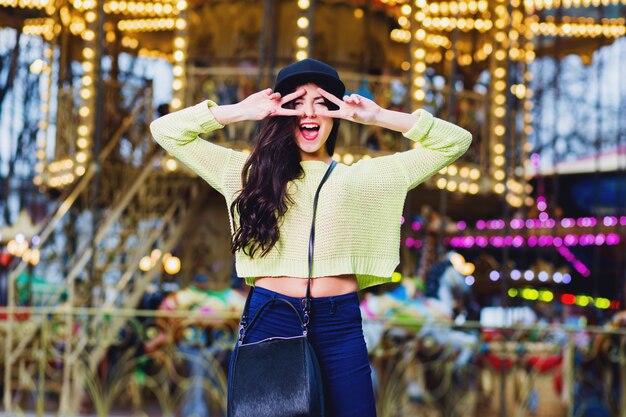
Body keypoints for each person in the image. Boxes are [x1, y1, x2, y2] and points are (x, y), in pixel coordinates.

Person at [150, 58, 471, 416]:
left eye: (322, 102)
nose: (309, 111)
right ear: (281, 112)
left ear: (336, 114)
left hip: (339, 326)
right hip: (271, 317)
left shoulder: (366, 177)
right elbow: (166, 131)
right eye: (297, 102)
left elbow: (455, 142)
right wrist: (242, 110)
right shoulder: (249, 174)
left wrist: (379, 116)